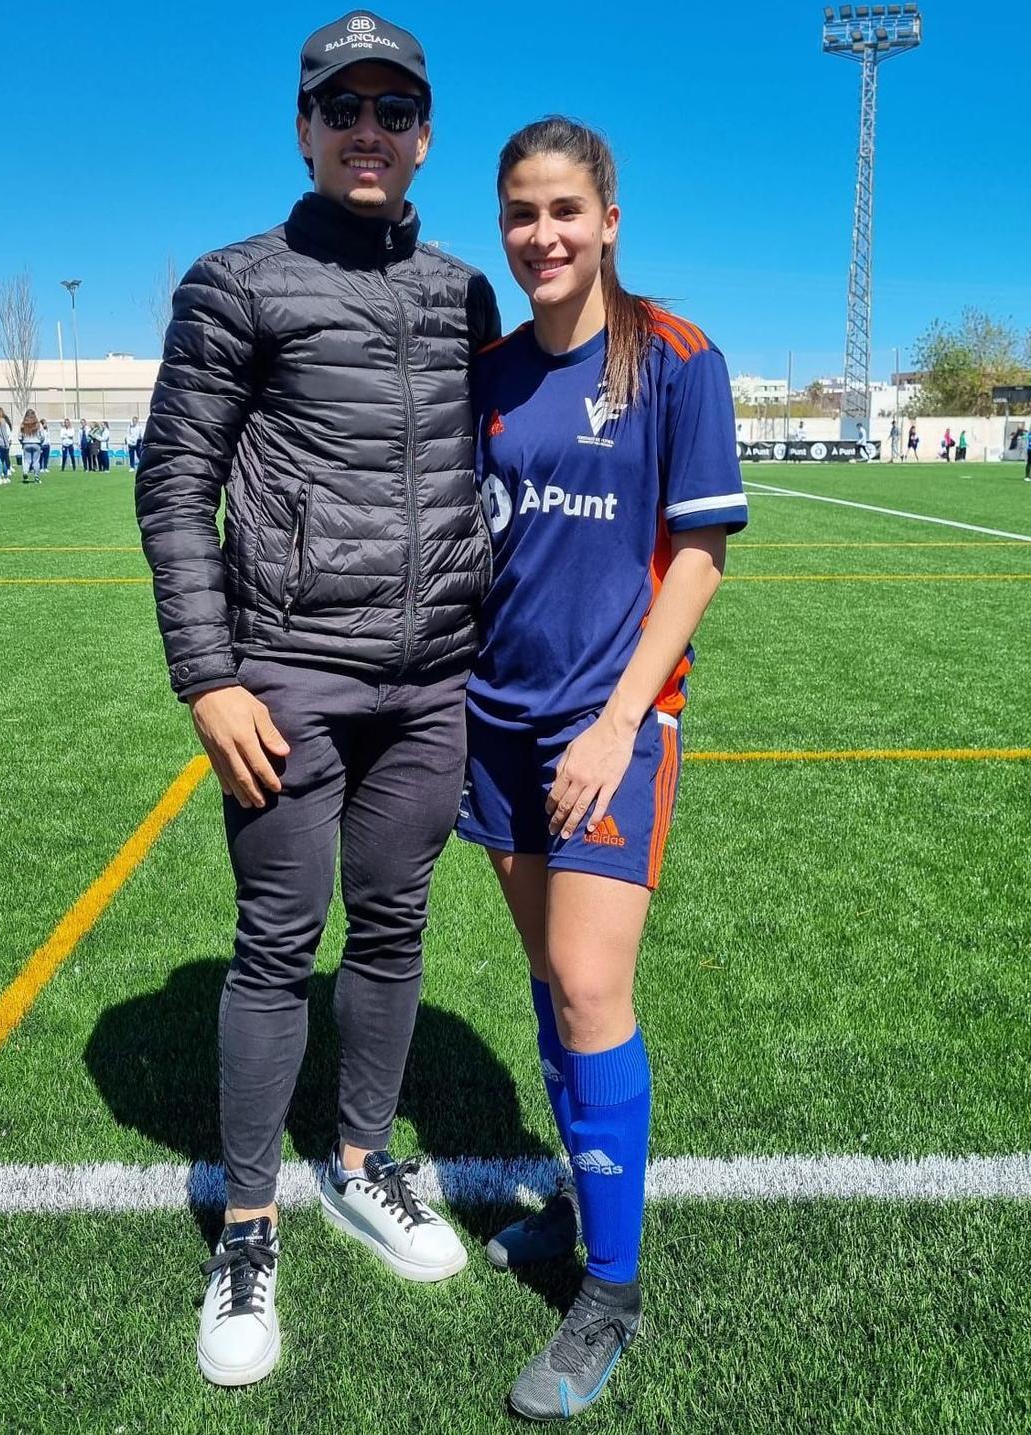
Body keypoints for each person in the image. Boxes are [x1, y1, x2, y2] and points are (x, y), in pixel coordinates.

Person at [135, 10, 499, 1391]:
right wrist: (208, 672)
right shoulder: (237, 281)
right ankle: (245, 1224)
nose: (368, 130)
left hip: (430, 680)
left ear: (422, 135)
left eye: (392, 110)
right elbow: (173, 483)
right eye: (342, 107)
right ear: (303, 126)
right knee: (277, 941)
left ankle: (360, 1162)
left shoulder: (463, 292)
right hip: (287, 674)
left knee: (395, 927)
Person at [457, 117, 747, 1421]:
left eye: (567, 209)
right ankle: (583, 1208)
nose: (544, 235)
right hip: (496, 719)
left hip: (611, 724)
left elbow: (697, 557)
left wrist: (619, 720)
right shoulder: (493, 371)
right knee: (545, 974)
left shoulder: (678, 358)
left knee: (590, 979)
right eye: (522, 212)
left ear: (611, 217)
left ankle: (611, 1291)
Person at [19, 409, 44, 482]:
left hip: (26, 443)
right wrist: (41, 443)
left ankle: (25, 473)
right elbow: (42, 436)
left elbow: (20, 436)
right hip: (36, 443)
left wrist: (22, 443)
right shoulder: (38, 424)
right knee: (36, 461)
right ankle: (36, 476)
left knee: (27, 461)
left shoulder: (23, 424)